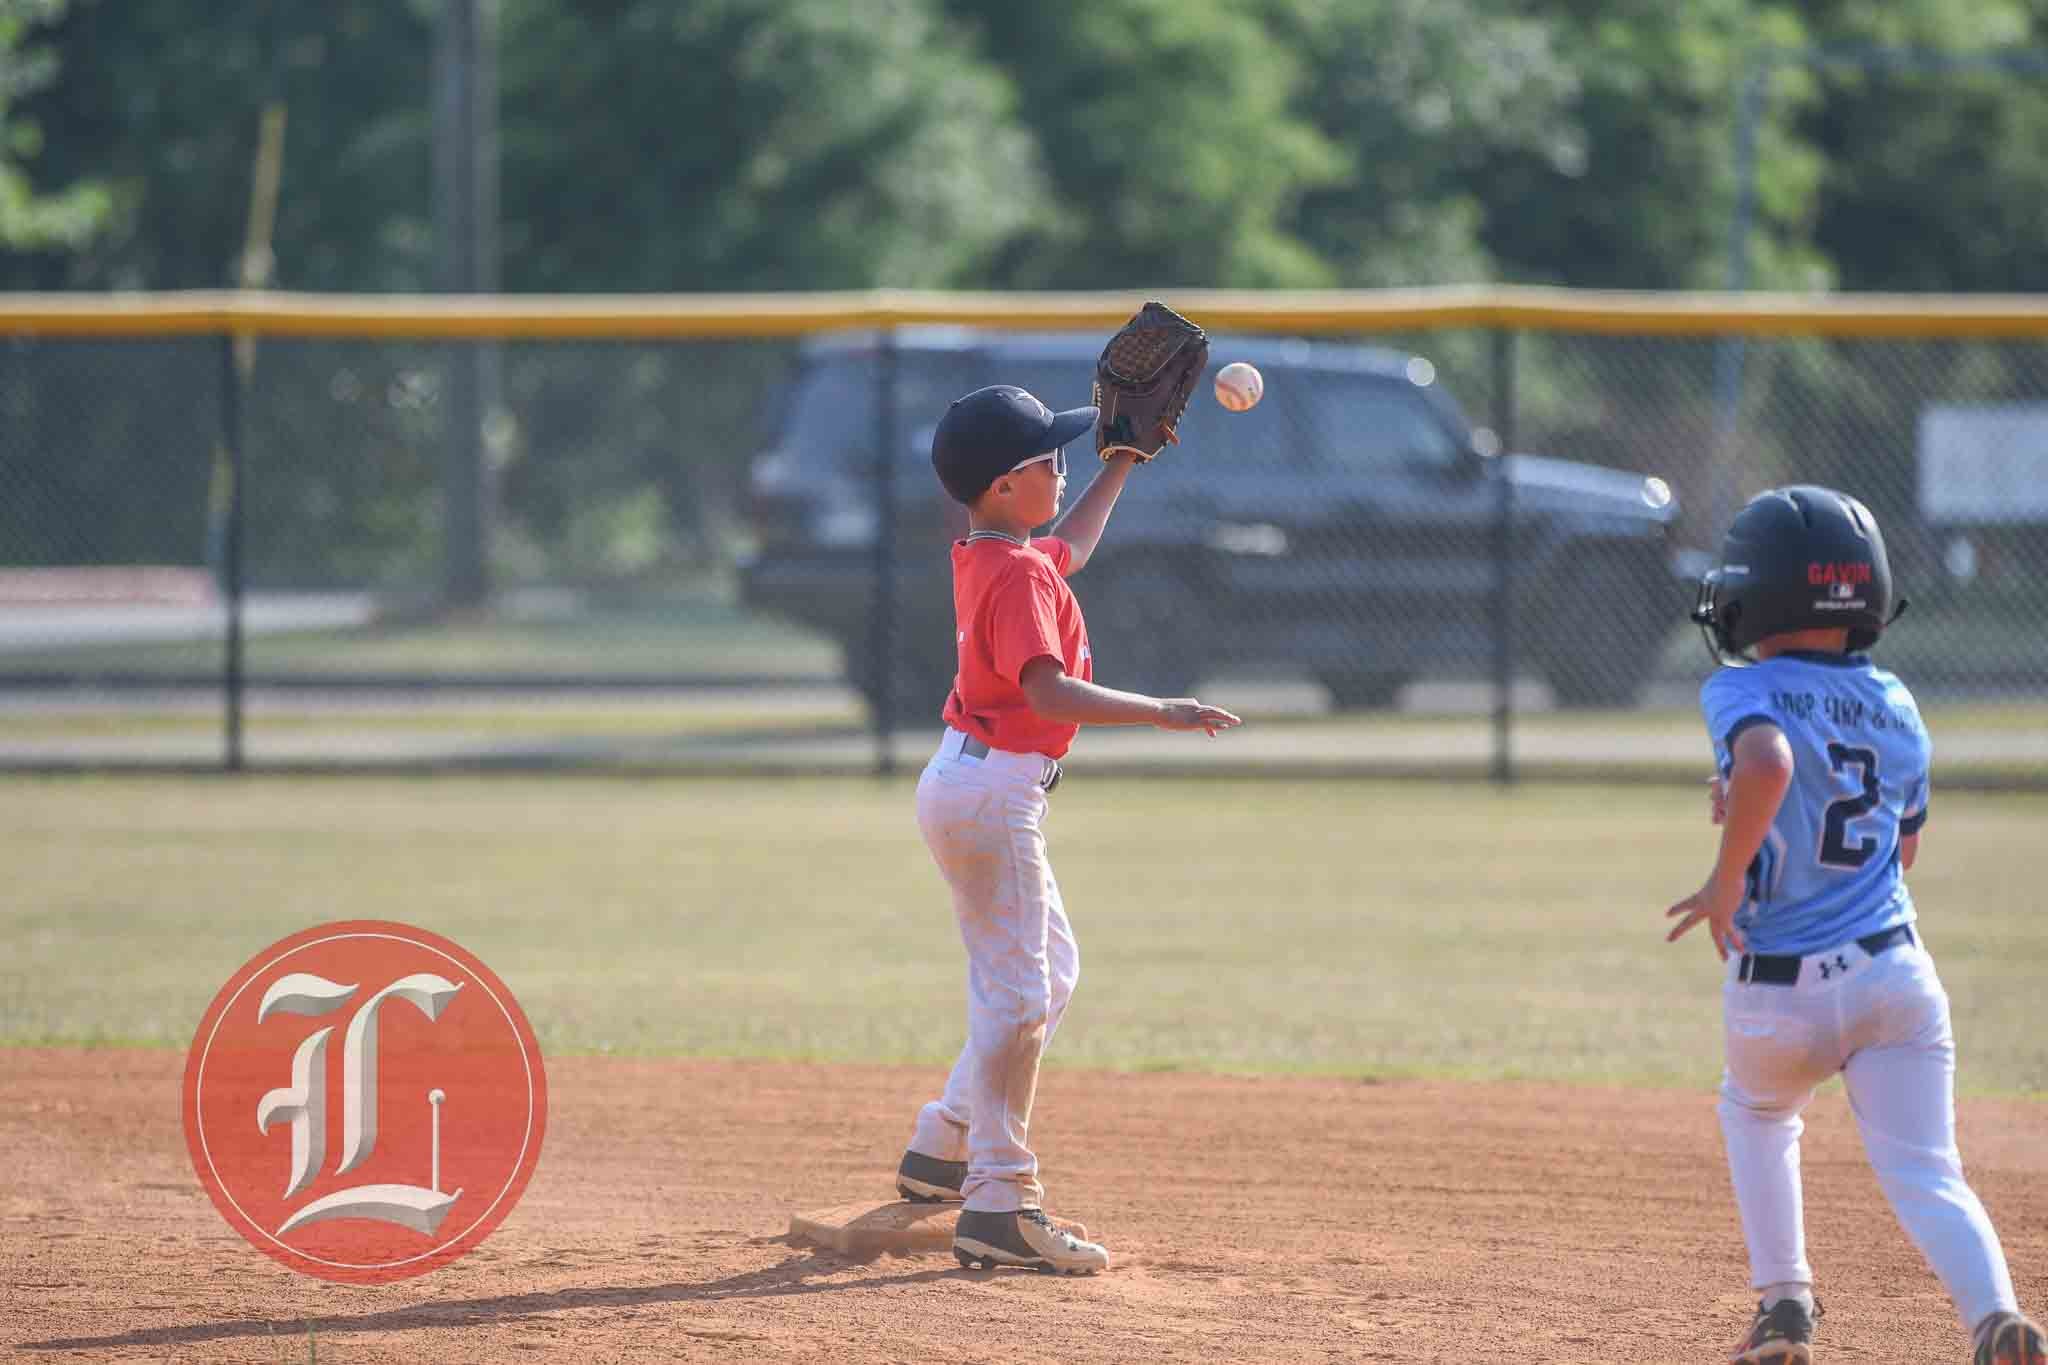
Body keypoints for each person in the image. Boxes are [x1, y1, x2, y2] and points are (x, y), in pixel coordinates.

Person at [1669, 484, 2043, 1365]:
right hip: (1895, 976)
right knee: (1927, 1169)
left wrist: (1726, 879)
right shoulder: (1900, 703)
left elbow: (1768, 758)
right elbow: (1899, 848)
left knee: (1759, 1113)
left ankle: (1787, 1312)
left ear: (1759, 597)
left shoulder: (1743, 684)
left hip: (1780, 988)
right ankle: (1996, 1316)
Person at [894, 382, 1240, 1275]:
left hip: (969, 778)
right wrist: (1163, 710)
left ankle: (944, 1142)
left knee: (1048, 979)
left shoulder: (993, 551)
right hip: (996, 792)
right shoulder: (1011, 572)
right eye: (1050, 459)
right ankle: (1001, 1200)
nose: (1063, 465)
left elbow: (1071, 546)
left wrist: (1124, 459)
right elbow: (1046, 690)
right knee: (1017, 996)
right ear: (1005, 487)